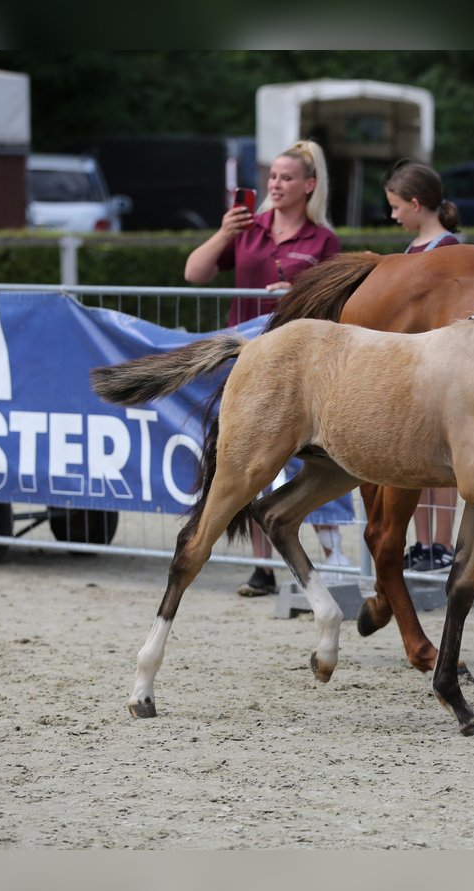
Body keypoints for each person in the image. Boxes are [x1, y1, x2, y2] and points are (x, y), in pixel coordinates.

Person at [184, 138, 351, 596]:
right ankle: (264, 568)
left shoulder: (324, 239)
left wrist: (294, 292)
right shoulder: (247, 228)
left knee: (308, 461)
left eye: (286, 178)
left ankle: (329, 556)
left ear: (309, 186)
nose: (276, 185)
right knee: (248, 463)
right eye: (272, 177)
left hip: (297, 368)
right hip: (246, 361)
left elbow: (333, 301)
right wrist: (223, 232)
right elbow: (194, 273)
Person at [382, 159, 461, 572]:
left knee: (443, 464)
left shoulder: (448, 249)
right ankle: (424, 542)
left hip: (440, 366)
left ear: (415, 203)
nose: (393, 215)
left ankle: (442, 542)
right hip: (413, 366)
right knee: (415, 461)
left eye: (396, 206)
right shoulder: (412, 249)